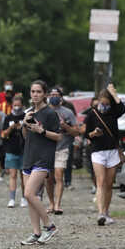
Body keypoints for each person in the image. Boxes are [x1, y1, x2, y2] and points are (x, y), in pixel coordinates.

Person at [20, 80, 62, 245]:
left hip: (43, 158)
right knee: (32, 197)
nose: (35, 94)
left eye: (38, 91)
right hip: (29, 156)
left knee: (28, 193)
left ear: (44, 94)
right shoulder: (29, 112)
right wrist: (25, 123)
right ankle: (36, 233)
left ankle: (50, 226)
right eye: (32, 91)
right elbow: (25, 136)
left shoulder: (50, 113)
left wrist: (42, 131)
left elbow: (59, 137)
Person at [86, 84, 125, 225]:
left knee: (109, 184)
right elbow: (86, 134)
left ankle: (106, 211)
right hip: (97, 151)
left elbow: (123, 108)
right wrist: (94, 134)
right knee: (100, 182)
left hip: (112, 151)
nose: (104, 105)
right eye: (102, 103)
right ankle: (101, 213)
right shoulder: (92, 114)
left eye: (107, 103)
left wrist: (113, 93)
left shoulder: (113, 112)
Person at [45, 86, 79, 215]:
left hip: (62, 147)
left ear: (61, 97)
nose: (54, 97)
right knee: (48, 178)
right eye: (51, 94)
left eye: (56, 94)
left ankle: (58, 205)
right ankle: (51, 203)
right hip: (47, 149)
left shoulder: (68, 112)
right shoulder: (44, 111)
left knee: (59, 175)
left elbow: (76, 132)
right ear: (48, 96)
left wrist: (65, 126)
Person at [2, 95, 27, 208]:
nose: (16, 107)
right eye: (15, 105)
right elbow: (3, 134)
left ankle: (24, 198)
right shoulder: (8, 118)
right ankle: (12, 199)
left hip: (24, 149)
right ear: (12, 105)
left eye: (18, 104)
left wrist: (22, 126)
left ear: (22, 105)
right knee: (12, 175)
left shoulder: (26, 116)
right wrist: (11, 128)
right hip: (11, 149)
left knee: (24, 175)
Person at [81, 96, 99, 194]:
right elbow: (83, 130)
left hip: (103, 145)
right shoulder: (89, 116)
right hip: (91, 144)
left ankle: (100, 185)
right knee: (93, 168)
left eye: (98, 105)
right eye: (94, 105)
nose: (96, 107)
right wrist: (90, 133)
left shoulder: (107, 115)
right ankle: (95, 185)